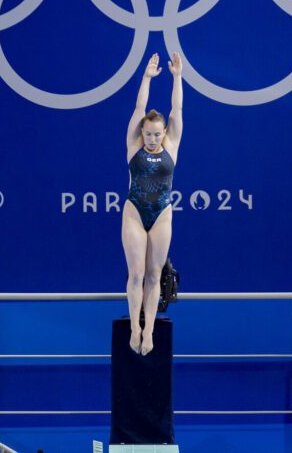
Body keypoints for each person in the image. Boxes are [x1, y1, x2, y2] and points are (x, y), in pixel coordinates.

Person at [123, 52, 183, 355]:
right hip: (135, 210)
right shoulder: (134, 145)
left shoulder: (171, 144)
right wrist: (146, 78)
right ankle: (134, 327)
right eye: (148, 134)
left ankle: (149, 332)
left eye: (157, 134)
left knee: (153, 273)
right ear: (142, 133)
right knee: (135, 273)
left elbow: (177, 109)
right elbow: (139, 108)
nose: (152, 139)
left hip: (161, 212)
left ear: (164, 134)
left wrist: (176, 77)